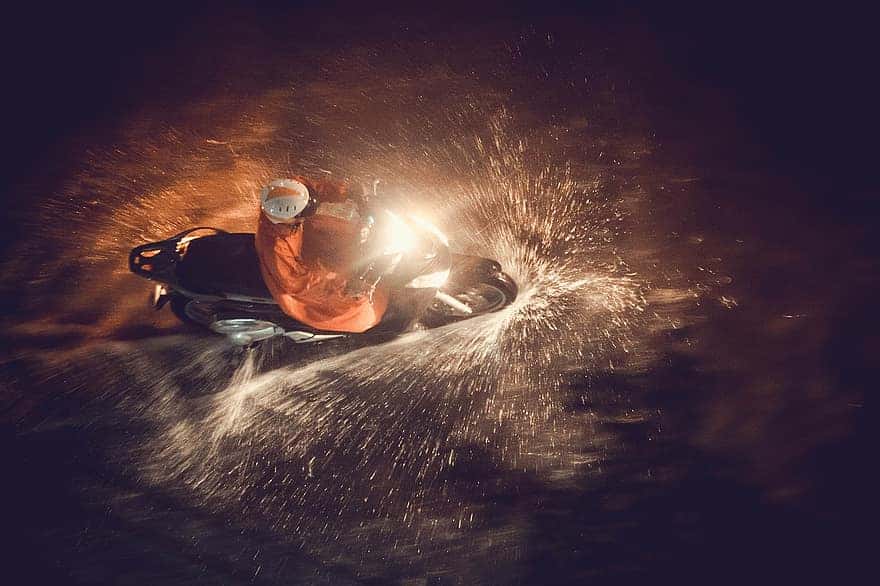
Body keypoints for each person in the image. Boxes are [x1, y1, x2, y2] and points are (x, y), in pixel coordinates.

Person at [254, 176, 389, 333]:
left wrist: (353, 192)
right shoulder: (277, 248)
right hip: (300, 281)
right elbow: (299, 284)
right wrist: (346, 287)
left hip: (303, 235)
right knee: (359, 310)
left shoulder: (288, 192)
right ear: (290, 218)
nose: (308, 211)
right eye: (303, 212)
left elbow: (314, 189)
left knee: (349, 234)